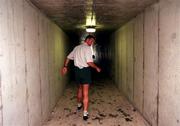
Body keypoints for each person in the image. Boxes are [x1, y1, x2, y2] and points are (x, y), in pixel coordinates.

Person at [61, 35, 101, 120]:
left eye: (93, 42)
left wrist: (65, 66)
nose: (92, 43)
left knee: (79, 88)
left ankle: (79, 105)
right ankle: (85, 113)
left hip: (77, 71)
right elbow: (89, 62)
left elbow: (68, 57)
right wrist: (96, 67)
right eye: (91, 41)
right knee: (85, 92)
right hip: (85, 71)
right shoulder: (87, 49)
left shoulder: (76, 48)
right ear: (87, 40)